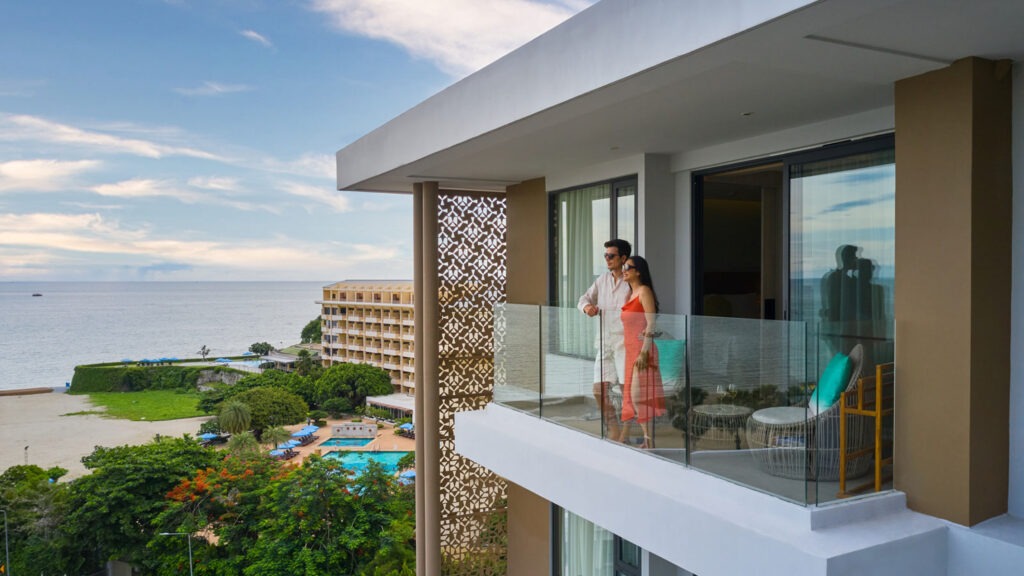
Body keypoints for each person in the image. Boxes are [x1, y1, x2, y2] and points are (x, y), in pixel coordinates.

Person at [578, 239, 632, 442]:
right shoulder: (601, 280)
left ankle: (625, 433)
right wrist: (587, 308)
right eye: (605, 256)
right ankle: (613, 429)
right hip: (604, 342)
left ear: (623, 258)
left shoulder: (631, 281)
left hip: (625, 343)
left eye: (611, 255)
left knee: (627, 392)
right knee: (599, 390)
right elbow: (583, 299)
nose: (607, 259)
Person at [620, 255, 666, 449]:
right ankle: (643, 439)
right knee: (632, 396)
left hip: (643, 350)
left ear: (638, 271)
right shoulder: (629, 294)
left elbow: (651, 323)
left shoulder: (644, 292)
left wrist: (644, 352)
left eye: (627, 267)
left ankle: (648, 440)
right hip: (630, 351)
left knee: (638, 395)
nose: (624, 270)